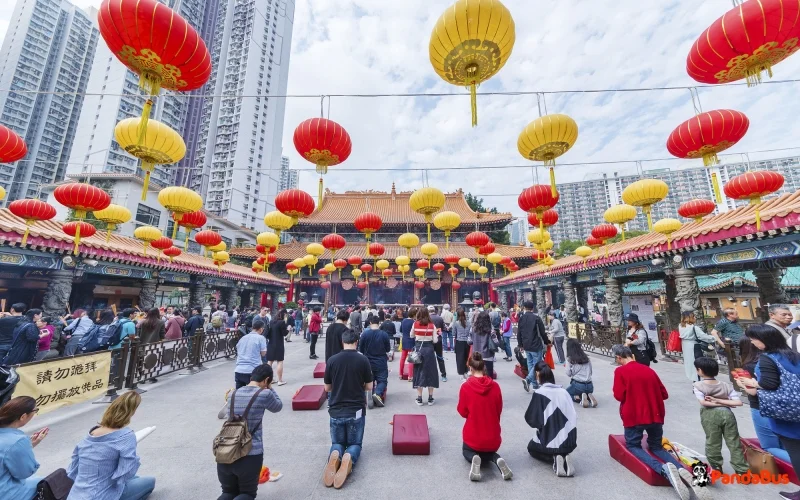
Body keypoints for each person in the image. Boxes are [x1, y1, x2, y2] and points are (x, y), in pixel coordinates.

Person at [611, 345, 692, 499]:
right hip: (655, 415)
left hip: (634, 416)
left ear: (619, 358)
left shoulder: (620, 371)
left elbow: (619, 396)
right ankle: (679, 468)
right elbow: (664, 394)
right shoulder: (649, 370)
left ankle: (662, 469)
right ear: (632, 355)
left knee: (633, 445)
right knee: (656, 446)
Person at [738, 324, 800, 500]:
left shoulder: (768, 359)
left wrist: (749, 383)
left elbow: (769, 384)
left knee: (795, 450)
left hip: (786, 412)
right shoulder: (794, 355)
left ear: (763, 340)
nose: (752, 342)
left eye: (754, 339)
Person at [66, 391, 155, 500]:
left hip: (76, 495)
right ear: (131, 412)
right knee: (150, 481)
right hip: (104, 495)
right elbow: (125, 473)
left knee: (134, 479)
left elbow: (72, 471)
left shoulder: (91, 434)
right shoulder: (126, 436)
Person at [216, 364, 282, 500]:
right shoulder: (264, 393)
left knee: (228, 493)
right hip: (250, 454)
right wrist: (270, 388)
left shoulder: (232, 394)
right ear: (266, 380)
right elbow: (278, 406)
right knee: (247, 494)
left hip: (225, 452)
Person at [323, 329, 373, 489]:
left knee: (337, 441)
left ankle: (335, 455)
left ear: (342, 342)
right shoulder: (363, 360)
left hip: (336, 409)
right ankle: (349, 457)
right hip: (356, 409)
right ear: (356, 342)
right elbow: (369, 386)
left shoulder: (332, 360)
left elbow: (327, 388)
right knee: (355, 444)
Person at [457, 352, 512, 482]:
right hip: (493, 437)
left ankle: (474, 458)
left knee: (467, 451)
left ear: (470, 368)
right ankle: (496, 458)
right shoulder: (495, 386)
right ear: (483, 367)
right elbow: (499, 410)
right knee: (489, 452)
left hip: (473, 435)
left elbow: (462, 412)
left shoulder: (466, 387)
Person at [735, 336, 791, 463]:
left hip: (761, 408)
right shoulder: (778, 359)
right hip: (783, 406)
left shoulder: (750, 365)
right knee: (785, 442)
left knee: (770, 446)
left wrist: (741, 384)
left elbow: (753, 391)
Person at [691, 356, 749, 475]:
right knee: (734, 442)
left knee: (713, 441)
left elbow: (703, 402)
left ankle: (716, 468)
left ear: (700, 370)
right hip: (727, 414)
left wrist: (714, 401)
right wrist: (722, 401)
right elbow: (738, 402)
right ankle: (742, 471)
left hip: (710, 415)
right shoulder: (726, 385)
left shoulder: (698, 385)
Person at [524, 362, 577, 477]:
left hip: (550, 442)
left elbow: (532, 420)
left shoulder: (539, 393)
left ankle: (554, 458)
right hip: (569, 441)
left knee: (531, 448)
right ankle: (564, 456)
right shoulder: (564, 392)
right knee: (559, 445)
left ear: (538, 374)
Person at [0, 396, 47, 499]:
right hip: (6, 494)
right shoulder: (17, 440)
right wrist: (25, 448)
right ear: (23, 416)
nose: (35, 413)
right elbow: (24, 473)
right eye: (35, 410)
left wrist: (28, 446)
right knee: (52, 483)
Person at [517, 301, 550, 393]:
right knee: (536, 364)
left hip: (526, 345)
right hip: (536, 344)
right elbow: (543, 332)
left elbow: (519, 333)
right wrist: (547, 342)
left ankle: (535, 385)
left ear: (524, 308)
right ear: (532, 308)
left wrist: (520, 345)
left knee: (530, 364)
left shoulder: (521, 318)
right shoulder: (536, 318)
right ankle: (528, 380)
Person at [358, 315, 390, 407]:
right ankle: (378, 393)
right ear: (379, 322)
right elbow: (387, 349)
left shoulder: (364, 334)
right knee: (382, 380)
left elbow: (361, 349)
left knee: (369, 379)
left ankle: (369, 392)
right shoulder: (384, 334)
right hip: (381, 360)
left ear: (370, 323)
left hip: (368, 361)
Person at [678, 310, 719, 383]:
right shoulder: (693, 328)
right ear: (690, 318)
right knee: (697, 363)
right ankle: (698, 382)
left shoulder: (681, 326)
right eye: (693, 316)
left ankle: (694, 381)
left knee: (690, 364)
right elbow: (703, 337)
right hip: (694, 346)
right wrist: (714, 338)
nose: (695, 317)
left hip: (685, 346)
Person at [412, 307, 440, 405]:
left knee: (419, 372)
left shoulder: (415, 324)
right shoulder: (432, 325)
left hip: (419, 349)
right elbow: (435, 340)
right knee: (430, 372)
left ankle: (419, 398)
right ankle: (430, 398)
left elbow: (411, 335)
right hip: (429, 350)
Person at [233, 320, 267, 389]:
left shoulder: (243, 338)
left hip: (239, 370)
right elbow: (263, 353)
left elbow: (238, 349)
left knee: (239, 395)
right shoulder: (261, 338)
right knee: (254, 395)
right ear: (261, 329)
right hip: (253, 370)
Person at [565, 338, 596, 408]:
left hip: (578, 385)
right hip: (590, 386)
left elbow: (568, 373)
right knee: (583, 391)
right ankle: (588, 396)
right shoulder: (586, 358)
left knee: (566, 394)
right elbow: (591, 372)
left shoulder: (570, 359)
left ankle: (581, 399)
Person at [471, 311, 499, 379]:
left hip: (476, 356)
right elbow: (497, 343)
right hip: (488, 356)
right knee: (488, 378)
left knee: (477, 378)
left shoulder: (473, 329)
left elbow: (469, 341)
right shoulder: (491, 331)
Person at [266, 311, 287, 385]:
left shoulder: (271, 322)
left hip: (271, 343)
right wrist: (288, 329)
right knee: (280, 361)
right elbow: (284, 333)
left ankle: (269, 379)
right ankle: (280, 380)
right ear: (283, 315)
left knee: (269, 362)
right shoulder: (282, 322)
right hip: (279, 344)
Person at [429, 306, 448, 382]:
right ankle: (443, 375)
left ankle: (431, 375)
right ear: (435, 311)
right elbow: (444, 329)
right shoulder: (440, 318)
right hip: (438, 340)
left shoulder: (427, 319)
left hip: (430, 340)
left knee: (430, 358)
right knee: (440, 357)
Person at [453, 307, 472, 380]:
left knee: (460, 358)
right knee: (467, 357)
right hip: (467, 342)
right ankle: (467, 371)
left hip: (459, 342)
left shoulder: (456, 323)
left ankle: (461, 373)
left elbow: (453, 333)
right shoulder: (469, 322)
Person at [399, 307, 416, 381]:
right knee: (411, 359)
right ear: (414, 315)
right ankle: (410, 376)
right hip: (411, 341)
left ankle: (400, 374)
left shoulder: (403, 321)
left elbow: (401, 330)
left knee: (402, 358)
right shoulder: (414, 322)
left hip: (404, 340)